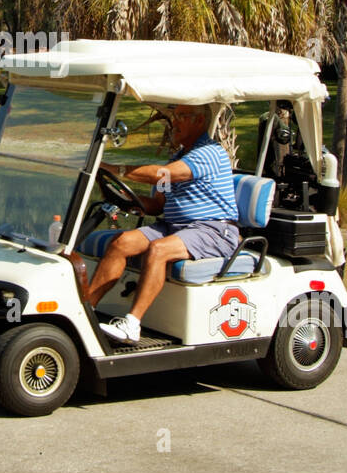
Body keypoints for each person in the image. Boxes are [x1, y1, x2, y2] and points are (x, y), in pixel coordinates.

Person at [87, 104, 240, 343]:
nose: (174, 123)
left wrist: (120, 170)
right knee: (122, 242)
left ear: (200, 121)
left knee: (159, 249)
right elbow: (158, 204)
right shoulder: (178, 156)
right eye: (174, 116)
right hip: (173, 226)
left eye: (181, 117)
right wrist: (125, 199)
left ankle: (132, 325)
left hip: (213, 229)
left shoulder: (209, 152)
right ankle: (85, 312)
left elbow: (164, 175)